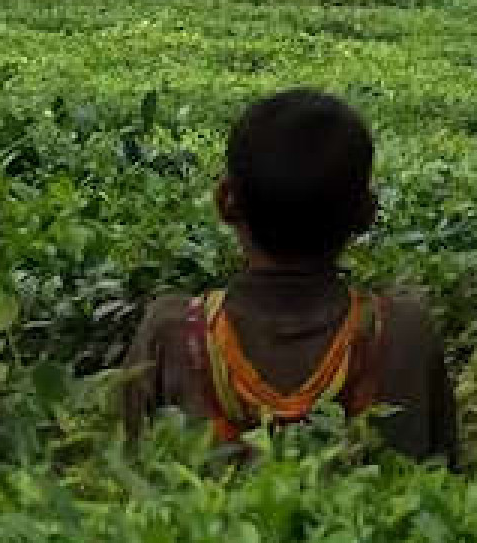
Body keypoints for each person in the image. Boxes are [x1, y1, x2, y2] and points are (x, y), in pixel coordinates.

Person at [120, 89, 458, 466]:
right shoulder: (404, 331)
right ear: (366, 214)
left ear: (225, 201)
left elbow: (125, 479)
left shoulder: (171, 333)